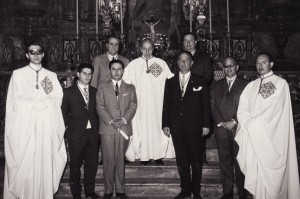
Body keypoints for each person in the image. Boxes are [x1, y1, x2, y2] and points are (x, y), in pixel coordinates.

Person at [3, 42, 67, 199]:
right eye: (32, 52)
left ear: (43, 54)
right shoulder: (19, 75)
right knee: (27, 162)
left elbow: (55, 99)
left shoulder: (48, 76)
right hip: (25, 127)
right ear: (27, 55)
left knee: (44, 160)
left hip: (45, 126)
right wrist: (34, 104)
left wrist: (42, 104)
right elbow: (14, 101)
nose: (36, 54)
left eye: (39, 52)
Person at [235, 52, 300, 199]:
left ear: (271, 64)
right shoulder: (251, 86)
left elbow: (275, 112)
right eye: (258, 62)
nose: (260, 65)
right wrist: (247, 124)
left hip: (271, 139)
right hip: (253, 137)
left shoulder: (280, 84)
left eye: (264, 62)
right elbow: (242, 109)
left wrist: (253, 124)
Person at [162, 51, 211, 199]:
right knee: (181, 160)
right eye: (180, 60)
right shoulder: (170, 82)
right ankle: (185, 189)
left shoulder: (200, 80)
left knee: (196, 160)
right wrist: (165, 124)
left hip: (195, 127)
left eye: (186, 60)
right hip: (177, 127)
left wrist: (206, 125)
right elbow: (167, 104)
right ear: (177, 63)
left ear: (192, 63)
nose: (183, 63)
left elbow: (206, 106)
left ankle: (196, 191)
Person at [123, 39, 175, 165]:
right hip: (140, 104)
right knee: (141, 128)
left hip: (157, 104)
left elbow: (169, 81)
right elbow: (126, 82)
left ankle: (157, 156)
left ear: (153, 48)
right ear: (140, 49)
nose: (147, 51)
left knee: (157, 127)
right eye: (144, 48)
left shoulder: (160, 63)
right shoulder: (133, 65)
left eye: (150, 48)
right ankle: (143, 156)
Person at [97, 60, 137, 199]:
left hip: (124, 128)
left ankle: (120, 190)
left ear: (123, 70)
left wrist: (123, 120)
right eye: (113, 69)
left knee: (120, 159)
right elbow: (100, 106)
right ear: (109, 71)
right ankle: (108, 190)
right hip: (107, 128)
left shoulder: (130, 87)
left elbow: (133, 106)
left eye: (119, 69)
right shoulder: (102, 87)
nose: (116, 71)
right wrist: (111, 120)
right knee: (108, 160)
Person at [211, 57, 248, 199]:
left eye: (231, 65)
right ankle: (227, 192)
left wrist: (235, 121)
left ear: (237, 67)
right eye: (225, 66)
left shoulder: (246, 85)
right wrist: (221, 122)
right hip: (221, 129)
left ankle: (242, 192)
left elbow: (249, 108)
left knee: (240, 162)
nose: (228, 68)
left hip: (239, 128)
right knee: (224, 161)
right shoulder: (216, 85)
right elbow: (212, 106)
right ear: (223, 68)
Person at [61, 63, 100, 199]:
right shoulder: (68, 92)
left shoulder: (96, 91)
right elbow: (63, 114)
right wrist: (68, 131)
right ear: (78, 74)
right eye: (84, 73)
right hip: (76, 134)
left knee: (92, 164)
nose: (87, 76)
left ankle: (89, 191)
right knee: (75, 165)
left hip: (93, 134)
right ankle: (76, 194)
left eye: (90, 74)